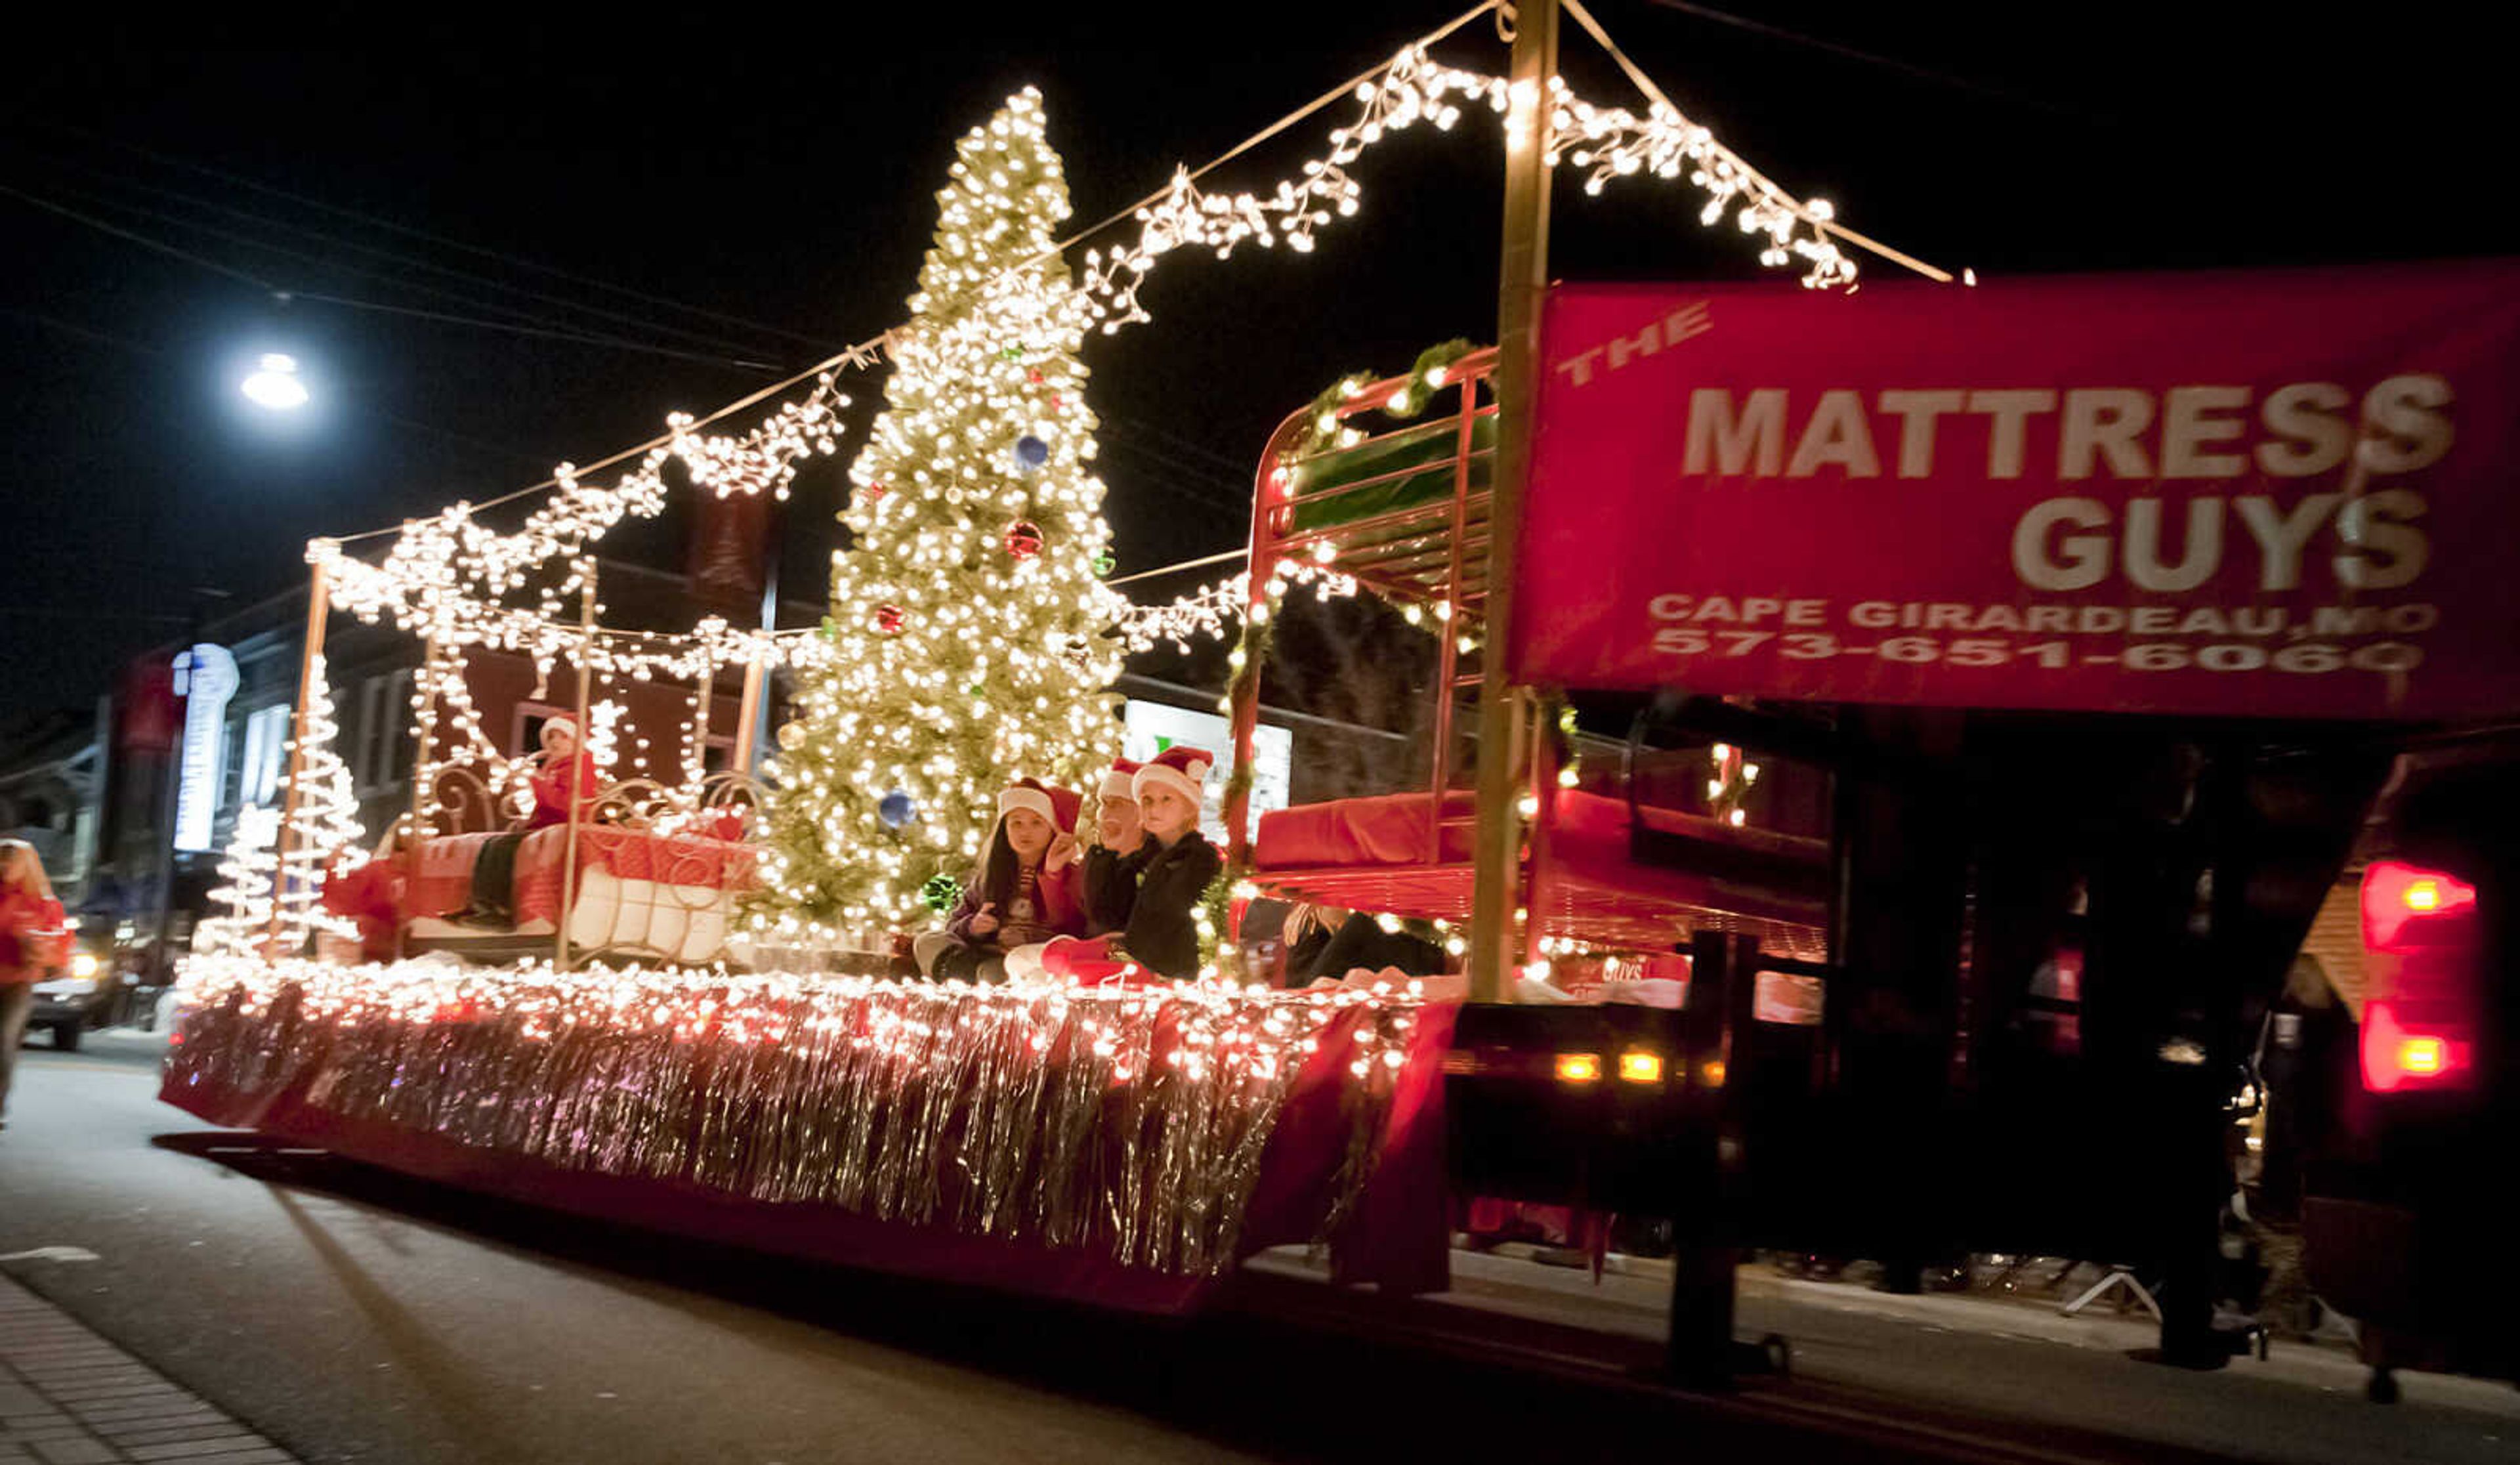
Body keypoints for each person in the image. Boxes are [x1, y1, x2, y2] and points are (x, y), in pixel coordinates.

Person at [1040, 747, 1223, 983]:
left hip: (1164, 965)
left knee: (1072, 967)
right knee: (1055, 955)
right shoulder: (1148, 856)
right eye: (1147, 800)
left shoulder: (1199, 857)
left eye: (1166, 799)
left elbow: (1169, 925)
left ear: (1189, 806)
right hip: (1134, 953)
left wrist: (1117, 949)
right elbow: (1105, 912)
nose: (1154, 809)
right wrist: (1103, 856)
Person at [914, 778, 1084, 983]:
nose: (1025, 831)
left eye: (1036, 823)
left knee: (999, 971)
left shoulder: (1071, 873)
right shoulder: (990, 877)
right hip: (991, 954)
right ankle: (969, 971)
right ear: (1005, 828)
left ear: (1052, 829)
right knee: (927, 941)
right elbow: (953, 925)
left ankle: (973, 976)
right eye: (1017, 823)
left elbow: (1072, 924)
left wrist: (1052, 874)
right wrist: (973, 926)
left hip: (1035, 960)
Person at [459, 717, 600, 927]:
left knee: (504, 847)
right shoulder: (555, 767)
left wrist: (536, 782)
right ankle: (481, 904)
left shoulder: (581, 766)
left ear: (576, 740)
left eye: (563, 736)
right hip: (548, 827)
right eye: (551, 736)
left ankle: (498, 908)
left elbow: (567, 804)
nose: (555, 741)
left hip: (564, 828)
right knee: (491, 844)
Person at [1, 839, 71, 1130]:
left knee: (3, 1042)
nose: (4, 867)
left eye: (10, 862)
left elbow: (60, 945)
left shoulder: (43, 905)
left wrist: (36, 943)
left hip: (17, 984)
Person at [1080, 757, 1146, 936]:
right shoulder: (1097, 861)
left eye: (1116, 804)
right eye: (1103, 804)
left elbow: (1131, 950)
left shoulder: (1154, 869)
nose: (1105, 814)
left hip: (1127, 957)